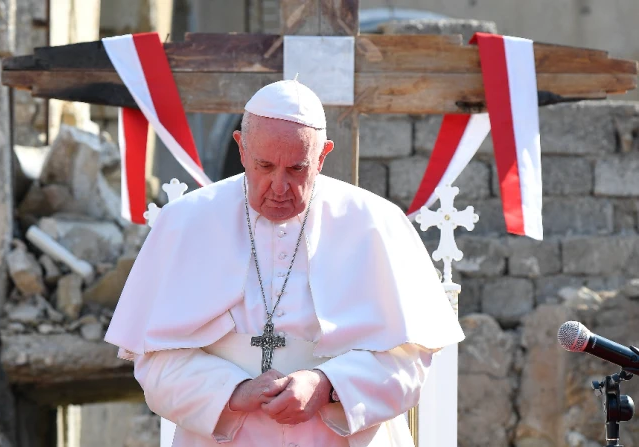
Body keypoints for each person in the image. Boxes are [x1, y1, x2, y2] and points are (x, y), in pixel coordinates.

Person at [105, 79, 465, 447]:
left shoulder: (376, 223)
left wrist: (328, 386)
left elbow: (408, 366)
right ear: (241, 149)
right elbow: (154, 364)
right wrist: (231, 391)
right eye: (264, 166)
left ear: (323, 156)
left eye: (297, 169)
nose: (279, 186)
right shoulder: (187, 222)